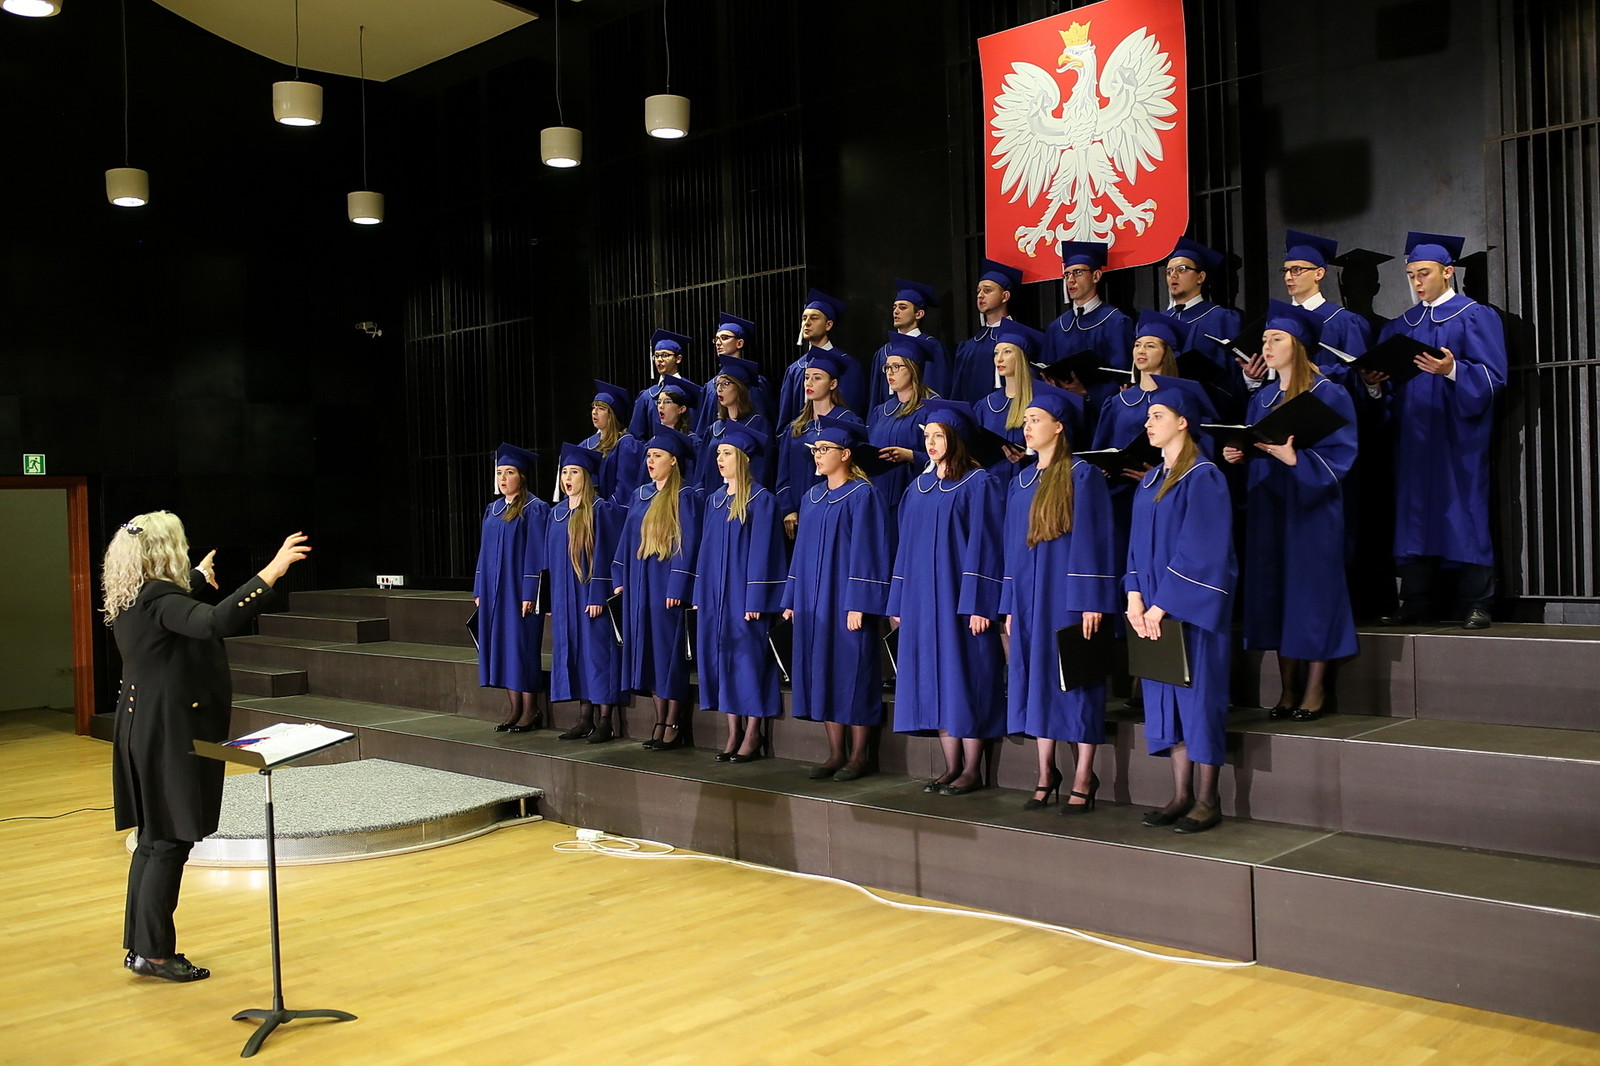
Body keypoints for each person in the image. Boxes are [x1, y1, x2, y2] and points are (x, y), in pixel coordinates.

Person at [105, 514, 311, 981]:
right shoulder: (160, 598)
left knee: (153, 839)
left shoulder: (135, 594)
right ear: (165, 551)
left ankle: (143, 947)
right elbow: (213, 621)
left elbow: (175, 610)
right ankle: (156, 954)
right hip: (168, 730)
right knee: (169, 841)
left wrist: (197, 578)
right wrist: (271, 572)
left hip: (143, 725)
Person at [1223, 302, 1359, 721]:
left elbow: (1342, 454)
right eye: (1265, 339)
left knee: (1312, 595)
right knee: (1277, 593)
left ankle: (1315, 689)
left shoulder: (1328, 392)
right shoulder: (1263, 398)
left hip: (1312, 510)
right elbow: (1257, 445)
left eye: (1276, 338)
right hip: (1270, 508)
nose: (1266, 346)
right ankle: (1287, 689)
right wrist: (1240, 454)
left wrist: (1295, 459)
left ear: (1298, 345)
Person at [1367, 232, 1507, 629]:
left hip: (1457, 438)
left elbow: (1494, 377)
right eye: (1411, 275)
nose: (1417, 282)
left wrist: (1453, 370)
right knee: (1414, 516)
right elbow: (1391, 390)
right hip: (1414, 438)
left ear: (1448, 272)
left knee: (1466, 513)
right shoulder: (1400, 326)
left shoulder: (1475, 316)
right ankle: (1415, 601)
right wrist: (1375, 384)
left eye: (1424, 273)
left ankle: (1478, 602)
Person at [1125, 387, 1237, 834]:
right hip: (1153, 612)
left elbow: (1203, 550)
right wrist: (1134, 596)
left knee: (1199, 701)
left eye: (1157, 415)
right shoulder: (1151, 480)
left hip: (1192, 613)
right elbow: (1135, 546)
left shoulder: (1203, 476)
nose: (1148, 424)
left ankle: (1208, 799)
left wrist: (1163, 604)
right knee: (1167, 702)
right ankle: (1180, 794)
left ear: (1183, 421)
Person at [887, 399, 1006, 795]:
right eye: (928, 436)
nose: (932, 443)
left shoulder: (979, 483)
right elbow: (904, 548)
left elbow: (986, 546)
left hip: (959, 601)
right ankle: (951, 764)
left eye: (939, 436)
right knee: (934, 680)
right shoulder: (918, 488)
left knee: (964, 677)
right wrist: (897, 601)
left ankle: (972, 767)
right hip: (921, 601)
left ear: (955, 439)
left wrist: (980, 603)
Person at [781, 417, 892, 781]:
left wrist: (860, 601)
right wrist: (792, 598)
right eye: (815, 449)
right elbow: (800, 554)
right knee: (823, 672)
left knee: (852, 671)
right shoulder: (811, 498)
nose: (817, 455)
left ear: (845, 454)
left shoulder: (863, 495)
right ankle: (834, 752)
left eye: (825, 449)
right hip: (814, 601)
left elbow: (870, 550)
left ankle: (859, 755)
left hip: (846, 601)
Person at [693, 422, 787, 761]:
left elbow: (765, 553)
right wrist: (700, 594)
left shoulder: (762, 500)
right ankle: (733, 730)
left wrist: (756, 598)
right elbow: (705, 550)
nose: (720, 459)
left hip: (743, 598)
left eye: (727, 453)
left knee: (749, 664)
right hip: (715, 597)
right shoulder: (715, 500)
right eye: (718, 453)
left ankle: (753, 731)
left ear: (743, 459)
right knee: (722, 659)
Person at [612, 425, 702, 752]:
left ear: (673, 460)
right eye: (649, 456)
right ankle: (659, 718)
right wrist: (620, 578)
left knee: (667, 655)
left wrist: (678, 585)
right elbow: (626, 542)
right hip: (640, 586)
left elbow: (688, 544)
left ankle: (673, 721)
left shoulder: (685, 497)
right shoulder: (640, 495)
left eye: (658, 456)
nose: (650, 461)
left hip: (666, 588)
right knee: (648, 653)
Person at [547, 444, 625, 742]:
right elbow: (547, 561)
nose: (568, 478)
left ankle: (606, 720)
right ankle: (584, 717)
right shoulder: (556, 515)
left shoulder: (600, 510)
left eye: (574, 472)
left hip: (590, 596)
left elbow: (606, 554)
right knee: (577, 654)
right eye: (565, 472)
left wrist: (598, 596)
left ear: (587, 477)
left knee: (598, 655)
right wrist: (549, 599)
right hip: (565, 599)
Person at [474, 442, 549, 733]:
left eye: (509, 472)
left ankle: (531, 710)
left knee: (522, 648)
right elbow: (483, 552)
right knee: (503, 648)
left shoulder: (535, 508)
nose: (503, 478)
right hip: (494, 592)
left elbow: (537, 555)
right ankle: (514, 708)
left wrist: (530, 593)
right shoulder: (493, 509)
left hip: (518, 593)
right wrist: (479, 589)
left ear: (522, 476)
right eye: (499, 473)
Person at [1040, 240, 1134, 439]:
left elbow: (1124, 377)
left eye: (1078, 272)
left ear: (1096, 276)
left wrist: (1086, 392)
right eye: (1067, 274)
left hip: (1101, 420)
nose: (1071, 280)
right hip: (1064, 420)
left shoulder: (1116, 322)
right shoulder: (1057, 327)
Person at [776, 348, 864, 536]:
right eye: (807, 377)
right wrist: (788, 509)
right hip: (799, 514)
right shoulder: (796, 428)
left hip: (836, 510)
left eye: (817, 378)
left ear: (833, 384)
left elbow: (856, 470)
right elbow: (783, 475)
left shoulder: (848, 422)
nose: (809, 383)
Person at [866, 330, 939, 555]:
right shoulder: (880, 412)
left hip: (914, 494)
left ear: (913, 368)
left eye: (897, 367)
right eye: (887, 367)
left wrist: (911, 456)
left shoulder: (932, 408)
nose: (890, 372)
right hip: (880, 496)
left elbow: (945, 456)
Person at [1165, 237, 1245, 417]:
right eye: (1169, 271)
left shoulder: (1223, 318)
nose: (1173, 276)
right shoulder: (1160, 321)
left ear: (1200, 277)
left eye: (1181, 269)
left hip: (1209, 411)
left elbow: (1235, 372)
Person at [778, 289, 866, 426]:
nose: (806, 323)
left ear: (828, 325)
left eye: (814, 318)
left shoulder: (847, 365)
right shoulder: (795, 369)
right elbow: (786, 418)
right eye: (804, 318)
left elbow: (852, 409)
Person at [974, 323, 1046, 485]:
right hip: (992, 483)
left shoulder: (1039, 402)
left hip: (1030, 482)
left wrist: (1029, 454)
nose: (999, 358)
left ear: (1021, 356)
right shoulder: (986, 405)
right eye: (996, 353)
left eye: (1007, 352)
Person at [949, 259, 1024, 404]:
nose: (980, 295)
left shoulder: (1021, 339)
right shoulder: (969, 347)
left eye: (987, 290)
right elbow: (957, 394)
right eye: (978, 291)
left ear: (1005, 296)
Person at [697, 354, 774, 493]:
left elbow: (762, 469)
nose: (719, 389)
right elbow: (702, 473)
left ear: (740, 387)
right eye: (717, 384)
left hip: (746, 498)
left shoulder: (757, 425)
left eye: (726, 384)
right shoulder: (714, 429)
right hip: (714, 500)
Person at [869, 278, 948, 408]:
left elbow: (937, 388)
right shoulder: (884, 352)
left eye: (903, 307)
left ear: (919, 314)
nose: (896, 311)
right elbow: (876, 397)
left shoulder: (931, 347)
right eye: (894, 307)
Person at [697, 312, 776, 434]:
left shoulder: (755, 382)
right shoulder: (710, 386)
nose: (718, 343)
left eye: (724, 338)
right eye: (716, 339)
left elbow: (766, 422)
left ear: (739, 343)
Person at [581, 381, 646, 507]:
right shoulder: (586, 445)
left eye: (601, 408)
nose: (594, 412)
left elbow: (625, 489)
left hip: (612, 511)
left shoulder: (626, 444)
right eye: (593, 407)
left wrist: (605, 510)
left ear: (612, 414)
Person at [629, 329, 698, 440]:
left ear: (678, 359)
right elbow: (637, 435)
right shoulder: (647, 396)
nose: (659, 360)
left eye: (665, 355)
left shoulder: (691, 392)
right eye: (656, 356)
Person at [650, 377, 702, 485]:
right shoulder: (653, 442)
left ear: (681, 409)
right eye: (659, 402)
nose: (661, 406)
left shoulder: (693, 443)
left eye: (667, 402)